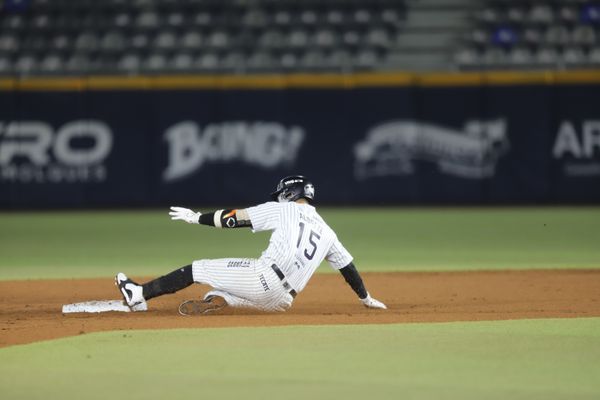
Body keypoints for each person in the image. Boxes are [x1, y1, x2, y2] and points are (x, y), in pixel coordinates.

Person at [115, 175, 387, 315]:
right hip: (282, 302)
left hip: (263, 278)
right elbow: (347, 267)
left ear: (289, 193)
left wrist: (198, 218)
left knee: (197, 269)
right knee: (219, 291)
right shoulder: (328, 232)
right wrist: (365, 298)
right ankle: (220, 301)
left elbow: (237, 218)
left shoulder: (285, 210)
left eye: (281, 194)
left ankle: (139, 294)